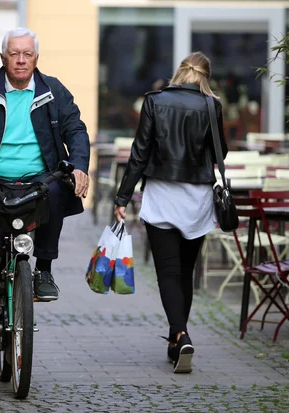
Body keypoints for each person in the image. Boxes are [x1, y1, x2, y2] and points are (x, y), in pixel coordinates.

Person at [0, 27, 91, 363]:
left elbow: (76, 130)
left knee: (58, 185)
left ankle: (43, 269)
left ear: (36, 57)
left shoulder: (54, 91)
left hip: (38, 181)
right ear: (3, 58)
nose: (21, 60)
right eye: (15, 53)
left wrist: (80, 165)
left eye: (27, 53)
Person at [113, 52, 228, 374]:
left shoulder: (155, 101)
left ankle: (179, 334)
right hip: (197, 196)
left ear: (179, 72)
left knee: (167, 271)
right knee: (186, 271)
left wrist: (122, 196)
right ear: (205, 76)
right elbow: (222, 151)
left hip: (162, 194)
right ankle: (177, 340)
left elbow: (140, 152)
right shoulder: (211, 105)